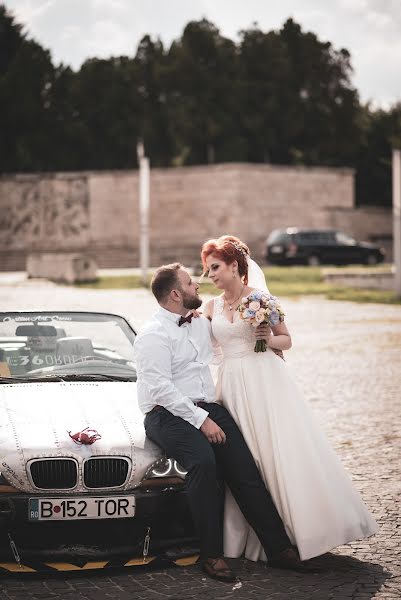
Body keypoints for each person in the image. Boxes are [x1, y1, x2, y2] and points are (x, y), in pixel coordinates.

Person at [201, 235, 379, 563]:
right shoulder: (210, 308)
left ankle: (301, 531)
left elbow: (287, 341)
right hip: (230, 386)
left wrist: (268, 338)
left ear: (234, 266)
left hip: (264, 381)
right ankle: (254, 533)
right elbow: (202, 348)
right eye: (206, 269)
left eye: (215, 267)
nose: (209, 275)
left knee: (275, 451)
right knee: (244, 459)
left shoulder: (261, 299)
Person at [133, 263, 311, 583]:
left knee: (245, 469)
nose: (198, 286)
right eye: (190, 283)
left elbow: (224, 347)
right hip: (165, 414)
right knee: (204, 463)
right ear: (176, 294)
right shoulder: (152, 335)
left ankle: (279, 549)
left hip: (207, 406)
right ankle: (211, 555)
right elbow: (162, 390)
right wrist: (202, 421)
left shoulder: (201, 323)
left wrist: (262, 344)